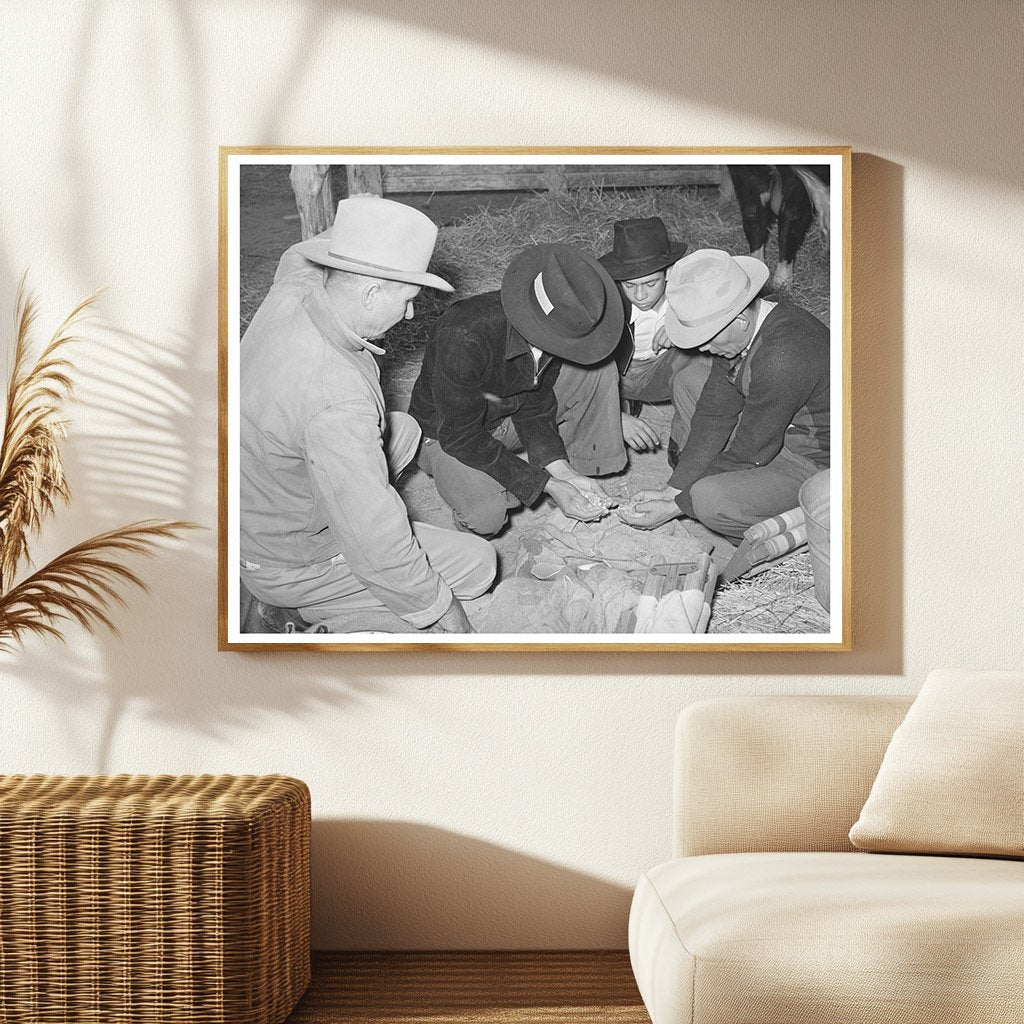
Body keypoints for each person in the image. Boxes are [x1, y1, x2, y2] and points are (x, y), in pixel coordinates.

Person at [239, 195, 496, 634]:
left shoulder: (297, 286)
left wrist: (368, 218)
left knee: (404, 430)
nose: (410, 314)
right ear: (371, 293)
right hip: (287, 559)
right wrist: (440, 608)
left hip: (259, 496)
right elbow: (372, 531)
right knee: (479, 565)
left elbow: (299, 252)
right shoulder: (335, 398)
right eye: (408, 299)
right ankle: (306, 608)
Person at [408, 243, 627, 536]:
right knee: (486, 514)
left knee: (597, 370)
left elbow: (535, 405)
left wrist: (563, 473)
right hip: (445, 435)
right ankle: (467, 538)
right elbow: (460, 435)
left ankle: (577, 474)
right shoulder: (465, 334)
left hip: (502, 416)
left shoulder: (558, 332)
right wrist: (544, 484)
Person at [620, 248, 830, 539]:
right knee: (692, 382)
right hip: (782, 430)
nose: (702, 348)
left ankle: (809, 530)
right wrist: (673, 490)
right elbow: (715, 413)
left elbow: (751, 451)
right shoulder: (742, 330)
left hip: (819, 462)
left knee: (709, 500)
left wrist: (677, 506)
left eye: (706, 338)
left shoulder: (782, 356)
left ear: (740, 320)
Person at [598, 217, 710, 453]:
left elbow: (720, 320)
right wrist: (611, 412)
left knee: (703, 359)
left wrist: (682, 328)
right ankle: (622, 402)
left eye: (650, 284)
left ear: (668, 272)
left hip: (660, 370)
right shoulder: (606, 302)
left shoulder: (689, 291)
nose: (640, 295)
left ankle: (684, 443)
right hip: (618, 375)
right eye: (630, 285)